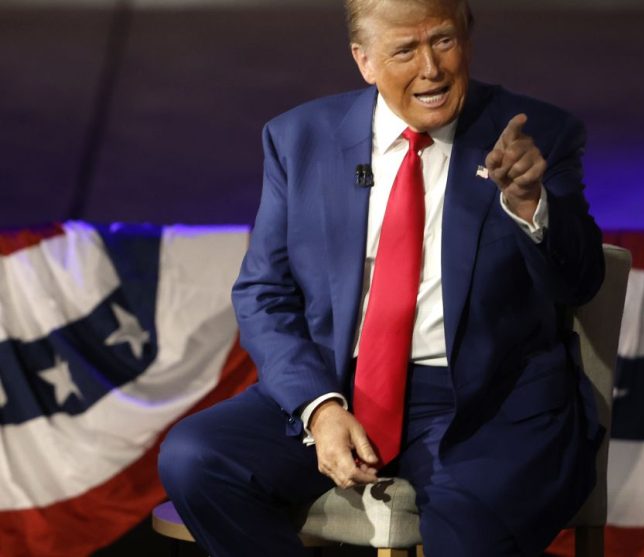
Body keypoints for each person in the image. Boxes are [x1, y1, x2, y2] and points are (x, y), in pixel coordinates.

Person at [158, 0, 604, 555]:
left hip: (483, 404)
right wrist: (319, 408)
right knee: (197, 457)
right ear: (363, 61)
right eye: (404, 51)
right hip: (340, 383)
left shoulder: (536, 137)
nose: (431, 68)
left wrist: (531, 204)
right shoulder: (301, 140)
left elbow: (581, 281)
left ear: (467, 35)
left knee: (467, 536)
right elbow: (263, 293)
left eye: (443, 41)